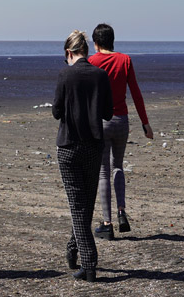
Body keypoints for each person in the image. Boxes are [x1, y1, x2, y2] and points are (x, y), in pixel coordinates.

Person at [52, 31, 113, 282]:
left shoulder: (65, 74)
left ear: (69, 53)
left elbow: (56, 111)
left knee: (78, 206)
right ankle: (72, 248)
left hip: (69, 145)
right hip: (93, 145)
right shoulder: (100, 75)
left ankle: (89, 263)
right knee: (84, 204)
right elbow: (108, 113)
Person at [88, 24, 153, 239]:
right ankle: (121, 211)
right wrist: (145, 123)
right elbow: (136, 93)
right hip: (121, 121)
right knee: (118, 166)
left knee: (103, 171)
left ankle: (107, 223)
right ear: (112, 40)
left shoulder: (92, 62)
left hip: (101, 123)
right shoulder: (125, 60)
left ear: (95, 43)